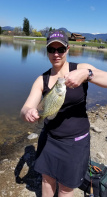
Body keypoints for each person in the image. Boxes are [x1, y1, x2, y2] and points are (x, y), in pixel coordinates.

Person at [20, 29, 107, 197]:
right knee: (46, 180)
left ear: (67, 49)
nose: (56, 54)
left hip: (76, 142)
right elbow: (25, 108)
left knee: (66, 188)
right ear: (47, 51)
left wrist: (88, 74)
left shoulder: (80, 68)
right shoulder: (42, 79)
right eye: (51, 49)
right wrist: (28, 112)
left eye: (60, 49)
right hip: (49, 139)